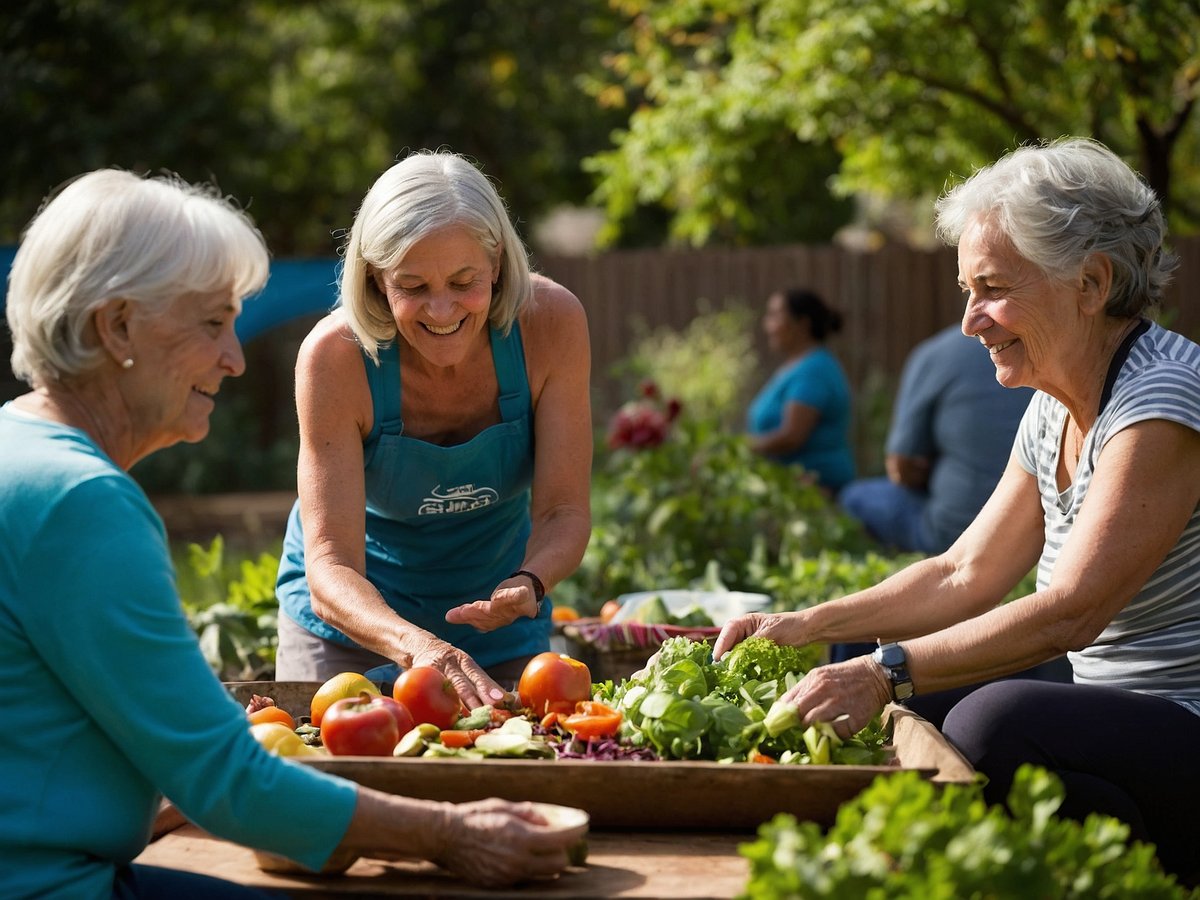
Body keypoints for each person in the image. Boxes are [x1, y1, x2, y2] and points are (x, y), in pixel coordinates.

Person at [0, 169, 587, 898]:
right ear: (117, 327)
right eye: (213, 324)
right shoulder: (81, 503)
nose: (236, 359)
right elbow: (222, 779)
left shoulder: (17, 454)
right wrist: (452, 833)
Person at [715, 138, 1200, 885]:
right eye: (967, 291)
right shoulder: (1051, 407)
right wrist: (814, 625)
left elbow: (1073, 612)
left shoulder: (1159, 402)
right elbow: (963, 570)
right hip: (1114, 710)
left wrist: (886, 673)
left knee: (989, 722)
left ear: (1092, 282)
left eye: (993, 289)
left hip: (1183, 725)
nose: (972, 320)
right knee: (869, 666)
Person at [274, 150, 593, 709]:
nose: (441, 309)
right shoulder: (335, 357)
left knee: (518, 758)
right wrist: (414, 646)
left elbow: (563, 512)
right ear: (376, 279)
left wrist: (530, 582)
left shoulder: (551, 324)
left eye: (464, 280)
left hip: (498, 617)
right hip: (354, 626)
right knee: (335, 776)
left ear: (496, 263)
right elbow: (331, 563)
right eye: (412, 286)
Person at [840, 324, 1034, 555]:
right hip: (1036, 529)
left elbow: (900, 466)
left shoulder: (937, 354)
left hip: (954, 531)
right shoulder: (1044, 353)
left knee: (853, 496)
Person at [745, 287, 855, 493]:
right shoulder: (796, 367)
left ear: (802, 324)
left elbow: (792, 436)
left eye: (775, 316)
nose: (768, 325)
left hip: (817, 490)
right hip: (791, 488)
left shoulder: (814, 369)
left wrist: (740, 447)